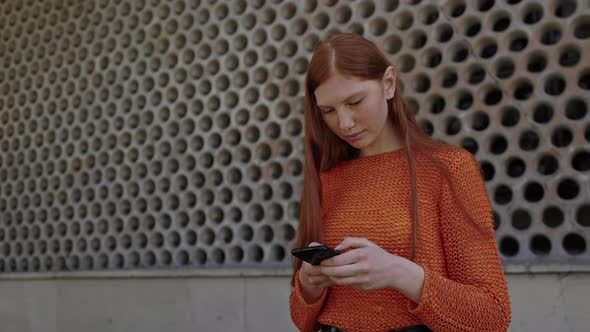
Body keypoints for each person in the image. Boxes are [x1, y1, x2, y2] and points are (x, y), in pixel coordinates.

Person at [289, 33, 511, 332]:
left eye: (355, 102)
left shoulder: (448, 169)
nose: (344, 123)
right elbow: (302, 320)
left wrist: (398, 273)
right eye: (328, 111)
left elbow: (491, 316)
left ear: (389, 83)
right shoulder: (328, 176)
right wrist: (307, 286)